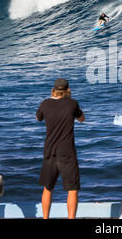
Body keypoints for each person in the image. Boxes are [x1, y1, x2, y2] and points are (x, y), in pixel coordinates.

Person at [36, 78, 85, 219]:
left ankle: (45, 218)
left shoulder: (45, 103)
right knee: (73, 189)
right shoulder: (72, 103)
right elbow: (82, 119)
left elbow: (38, 118)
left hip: (49, 151)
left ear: (53, 90)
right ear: (67, 90)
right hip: (67, 153)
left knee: (47, 188)